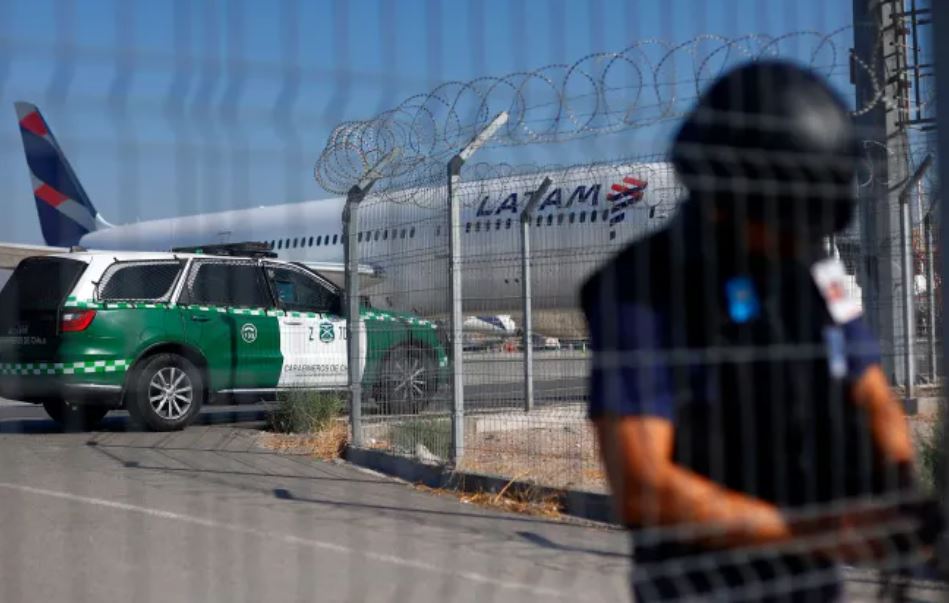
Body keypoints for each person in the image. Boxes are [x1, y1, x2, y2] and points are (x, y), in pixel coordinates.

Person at [582, 60, 941, 601]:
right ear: (731, 197)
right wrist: (813, 533)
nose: (805, 241)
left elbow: (871, 394)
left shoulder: (810, 271)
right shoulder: (641, 289)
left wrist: (899, 491)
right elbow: (642, 484)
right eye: (792, 219)